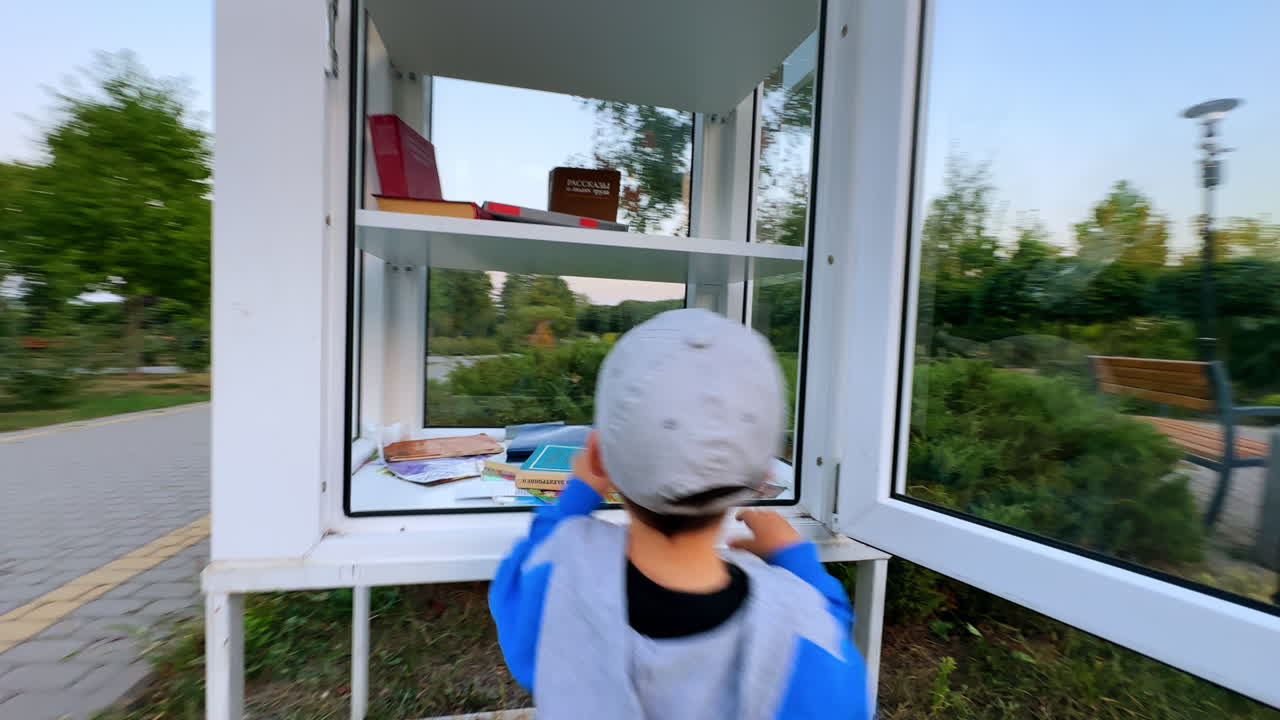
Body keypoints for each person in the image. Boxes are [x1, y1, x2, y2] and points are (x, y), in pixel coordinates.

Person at [489, 308, 870, 719]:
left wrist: (576, 497)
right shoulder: (803, 629)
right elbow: (837, 660)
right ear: (762, 475)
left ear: (598, 459)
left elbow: (519, 591)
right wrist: (797, 560)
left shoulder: (557, 572)